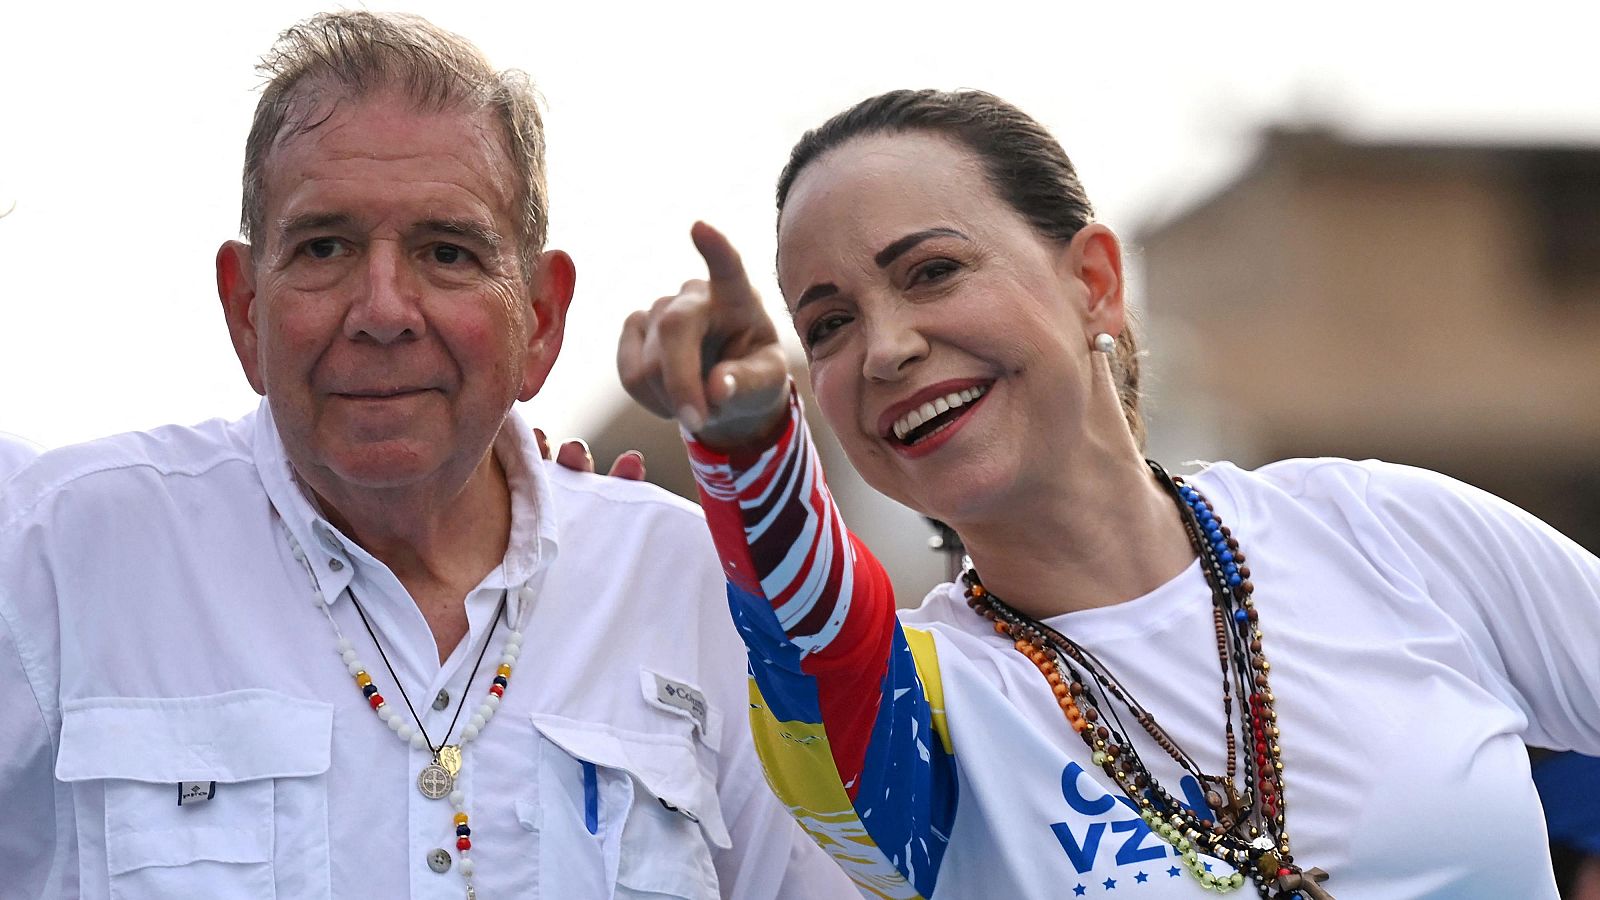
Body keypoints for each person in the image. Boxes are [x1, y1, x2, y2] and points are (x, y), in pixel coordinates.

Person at [619, 89, 1600, 899]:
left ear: (1093, 281)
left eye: (932, 271)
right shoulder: (924, 712)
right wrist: (749, 442)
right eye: (828, 325)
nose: (886, 348)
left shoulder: (1376, 531)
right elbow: (816, 643)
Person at [0, 12, 852, 899]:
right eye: (324, 247)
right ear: (245, 308)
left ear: (541, 320)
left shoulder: (688, 586)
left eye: (447, 253)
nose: (383, 310)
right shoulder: (60, 556)